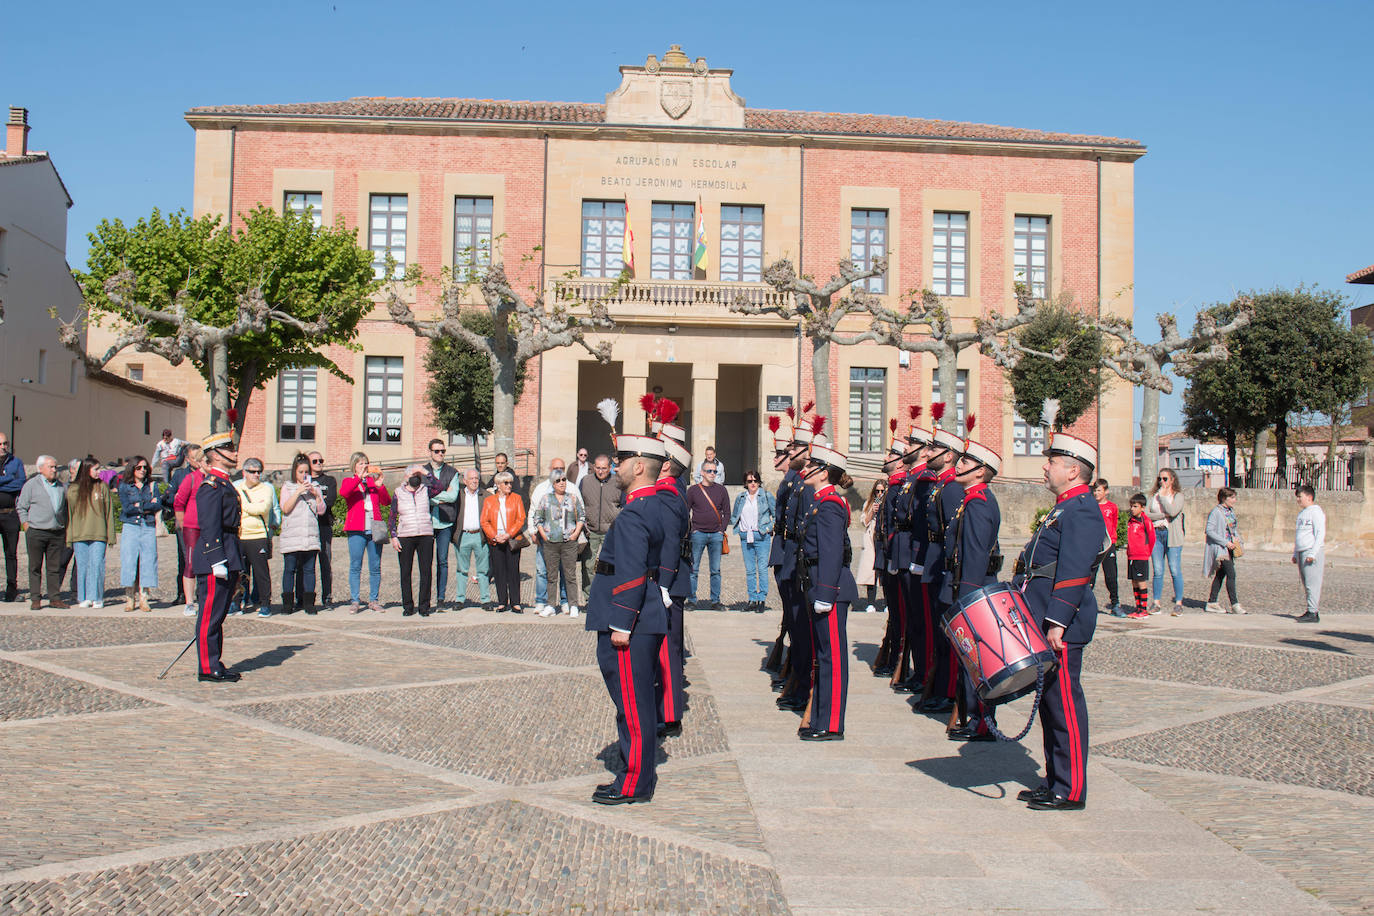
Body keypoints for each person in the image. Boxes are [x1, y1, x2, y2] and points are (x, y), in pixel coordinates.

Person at [1013, 430, 1108, 811]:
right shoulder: (1063, 507)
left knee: (1065, 705)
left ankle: (1070, 789)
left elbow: (1073, 571)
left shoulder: (1082, 508)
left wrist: (1057, 622)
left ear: (1072, 470)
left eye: (1051, 461)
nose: (1044, 466)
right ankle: (1055, 779)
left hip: (1062, 625)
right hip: (1046, 619)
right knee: (1051, 705)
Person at [584, 433, 668, 805]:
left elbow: (633, 572)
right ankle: (636, 775)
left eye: (621, 461)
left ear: (637, 467)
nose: (615, 467)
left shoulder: (636, 512)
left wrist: (621, 623)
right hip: (638, 618)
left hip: (630, 624)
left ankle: (634, 782)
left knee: (633, 707)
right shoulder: (648, 506)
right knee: (634, 704)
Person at [942, 428, 1003, 743]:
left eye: (964, 460)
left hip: (973, 589)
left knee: (975, 661)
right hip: (966, 585)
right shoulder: (970, 500)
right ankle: (973, 717)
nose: (958, 464)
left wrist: (966, 597)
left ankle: (981, 722)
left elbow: (976, 556)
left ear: (980, 470)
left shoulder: (978, 503)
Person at [796, 441, 857, 741]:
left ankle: (831, 723)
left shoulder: (830, 504)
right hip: (819, 583)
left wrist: (825, 593)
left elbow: (832, 553)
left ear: (824, 472)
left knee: (832, 657)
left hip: (829, 588)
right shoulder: (820, 501)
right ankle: (820, 716)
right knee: (823, 656)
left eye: (810, 466)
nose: (804, 469)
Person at [917, 415, 966, 713]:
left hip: (944, 565)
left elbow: (953, 533)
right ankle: (939, 686)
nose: (927, 453)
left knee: (946, 633)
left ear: (949, 455)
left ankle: (947, 692)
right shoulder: (940, 486)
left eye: (934, 450)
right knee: (937, 631)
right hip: (934, 561)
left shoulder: (951, 489)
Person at [192, 431, 244, 682]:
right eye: (229, 449)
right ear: (215, 454)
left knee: (218, 615)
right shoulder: (210, 485)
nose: (235, 453)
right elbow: (210, 525)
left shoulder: (223, 482)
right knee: (209, 617)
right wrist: (217, 559)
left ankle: (215, 661)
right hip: (217, 556)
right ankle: (206, 666)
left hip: (228, 551)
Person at [653, 420, 693, 738]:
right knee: (667, 646)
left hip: (669, 577)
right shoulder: (671, 488)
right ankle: (667, 708)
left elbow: (668, 540)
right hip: (672, 575)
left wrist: (663, 582)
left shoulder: (669, 492)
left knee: (668, 648)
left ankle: (669, 714)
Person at [340, 453, 391, 613]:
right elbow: (345, 493)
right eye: (360, 463)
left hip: (374, 528)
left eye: (366, 463)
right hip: (356, 528)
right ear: (354, 465)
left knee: (375, 566)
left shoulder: (371, 482)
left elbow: (386, 502)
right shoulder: (350, 481)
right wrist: (358, 478)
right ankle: (355, 600)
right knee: (356, 565)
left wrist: (380, 485)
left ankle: (373, 600)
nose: (364, 466)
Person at [16, 455, 68, 609]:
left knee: (54, 567)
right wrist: (26, 525)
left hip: (56, 531)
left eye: (55, 467)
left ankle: (54, 598)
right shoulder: (31, 485)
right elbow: (21, 506)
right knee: (35, 566)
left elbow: (65, 508)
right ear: (41, 469)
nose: (54, 470)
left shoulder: (61, 486)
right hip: (36, 531)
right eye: (51, 467)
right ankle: (35, 599)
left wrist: (63, 525)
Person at [389, 464, 440, 616]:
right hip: (406, 535)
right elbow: (392, 516)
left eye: (417, 476)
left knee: (426, 571)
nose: (415, 478)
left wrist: (425, 472)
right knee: (405, 571)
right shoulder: (398, 492)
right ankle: (408, 606)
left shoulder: (425, 490)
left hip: (425, 534)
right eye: (412, 475)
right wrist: (393, 536)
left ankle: (424, 606)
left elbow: (440, 487)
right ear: (406, 477)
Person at [66, 457, 117, 608]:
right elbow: (70, 514)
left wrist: (111, 535)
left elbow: (109, 512)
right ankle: (83, 597)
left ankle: (96, 597)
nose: (99, 472)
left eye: (99, 468)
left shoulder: (102, 487)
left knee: (97, 565)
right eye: (96, 469)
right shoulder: (74, 489)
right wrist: (69, 537)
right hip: (79, 534)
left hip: (99, 533)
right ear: (86, 470)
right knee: (82, 566)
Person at [533, 471, 585, 617]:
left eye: (564, 479)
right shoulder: (546, 499)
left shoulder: (572, 498)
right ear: (553, 483)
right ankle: (550, 605)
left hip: (569, 542)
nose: (562, 483)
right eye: (558, 481)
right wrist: (543, 535)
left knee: (570, 575)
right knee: (551, 576)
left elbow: (582, 516)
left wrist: (576, 533)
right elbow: (537, 518)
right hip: (551, 542)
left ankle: (573, 604)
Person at [281, 453, 327, 615]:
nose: (303, 475)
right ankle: (287, 603)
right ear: (294, 471)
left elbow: (321, 511)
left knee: (309, 570)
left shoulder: (315, 487)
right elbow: (285, 508)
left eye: (306, 472)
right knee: (290, 569)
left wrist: (315, 495)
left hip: (310, 535)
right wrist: (298, 492)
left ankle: (309, 603)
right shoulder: (287, 487)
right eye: (300, 472)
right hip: (292, 535)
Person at [526, 458, 571, 610]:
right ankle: (541, 600)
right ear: (549, 468)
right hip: (544, 537)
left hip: (564, 538)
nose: (558, 470)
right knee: (542, 570)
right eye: (556, 467)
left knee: (564, 571)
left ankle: (564, 601)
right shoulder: (540, 489)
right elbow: (533, 511)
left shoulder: (570, 488)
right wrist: (532, 531)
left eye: (562, 467)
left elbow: (579, 510)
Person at [232, 457, 274, 617]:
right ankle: (237, 602)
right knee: (240, 573)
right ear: (244, 472)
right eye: (252, 471)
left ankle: (265, 604)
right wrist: (250, 507)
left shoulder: (266, 489)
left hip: (258, 536)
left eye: (259, 472)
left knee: (261, 573)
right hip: (240, 535)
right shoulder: (237, 488)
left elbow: (263, 508)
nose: (256, 474)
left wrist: (244, 506)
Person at [420, 440, 460, 606]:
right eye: (437, 451)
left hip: (445, 523)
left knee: (442, 560)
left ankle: (441, 597)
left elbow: (453, 497)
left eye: (443, 451)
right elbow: (421, 495)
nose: (440, 454)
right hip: (426, 522)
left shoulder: (452, 472)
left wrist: (432, 497)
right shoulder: (422, 472)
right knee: (426, 562)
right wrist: (442, 495)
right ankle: (426, 597)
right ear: (430, 452)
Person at [117, 456, 159, 612]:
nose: (143, 470)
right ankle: (129, 597)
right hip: (131, 526)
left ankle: (144, 597)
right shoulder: (125, 486)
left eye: (144, 467)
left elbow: (157, 505)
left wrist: (139, 505)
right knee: (129, 560)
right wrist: (147, 505)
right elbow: (127, 508)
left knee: (149, 560)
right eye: (139, 467)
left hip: (147, 525)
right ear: (132, 469)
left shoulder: (152, 485)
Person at [687, 459, 730, 609]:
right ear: (702, 473)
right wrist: (691, 530)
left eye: (715, 471)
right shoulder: (693, 490)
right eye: (709, 471)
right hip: (698, 533)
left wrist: (721, 529)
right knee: (693, 569)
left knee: (715, 570)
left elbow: (727, 512)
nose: (713, 474)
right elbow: (686, 512)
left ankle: (715, 601)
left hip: (716, 535)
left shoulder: (721, 490)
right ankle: (691, 600)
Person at [481, 471, 527, 613]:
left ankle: (515, 602)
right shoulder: (489, 501)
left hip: (511, 539)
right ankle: (502, 601)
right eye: (506, 483)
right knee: (499, 571)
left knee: (513, 571)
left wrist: (508, 534)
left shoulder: (516, 498)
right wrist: (494, 536)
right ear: (498, 485)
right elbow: (484, 521)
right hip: (496, 540)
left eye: (510, 482)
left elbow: (521, 519)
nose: (509, 485)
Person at [731, 470, 775, 611]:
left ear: (759, 482)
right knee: (750, 570)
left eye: (755, 480)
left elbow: (776, 515)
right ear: (745, 483)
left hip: (761, 535)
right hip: (745, 536)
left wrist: (768, 528)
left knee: (761, 568)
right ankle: (752, 599)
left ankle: (761, 599)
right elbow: (735, 514)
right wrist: (738, 528)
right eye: (750, 481)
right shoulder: (741, 497)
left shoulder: (766, 496)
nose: (753, 483)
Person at [578, 453, 621, 596]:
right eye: (598, 468)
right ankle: (589, 597)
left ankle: (610, 595)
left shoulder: (618, 482)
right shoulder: (586, 482)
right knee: (588, 565)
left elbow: (624, 505)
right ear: (593, 467)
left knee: (611, 565)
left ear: (610, 468)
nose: (601, 471)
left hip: (611, 530)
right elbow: (579, 504)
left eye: (604, 468)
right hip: (591, 530)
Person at [173, 446, 207, 617]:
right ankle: (189, 602)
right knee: (191, 563)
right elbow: (178, 502)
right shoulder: (191, 478)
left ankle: (205, 598)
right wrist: (182, 523)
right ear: (201, 462)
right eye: (207, 461)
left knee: (207, 563)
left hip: (209, 528)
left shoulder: (214, 479)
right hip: (192, 527)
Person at [1147, 468, 1186, 614]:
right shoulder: (1153, 496)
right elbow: (1147, 515)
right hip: (1157, 534)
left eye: (1165, 479)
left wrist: (1163, 498)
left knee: (1174, 569)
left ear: (1172, 480)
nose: (1162, 482)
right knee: (1157, 570)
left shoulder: (1178, 496)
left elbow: (1173, 511)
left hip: (1172, 535)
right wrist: (1162, 516)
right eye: (1160, 479)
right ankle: (1156, 602)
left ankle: (1178, 603)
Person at [451, 469, 491, 609]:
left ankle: (485, 600)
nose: (474, 481)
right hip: (463, 535)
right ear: (465, 481)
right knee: (462, 569)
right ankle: (460, 599)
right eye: (471, 478)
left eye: (476, 478)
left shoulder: (486, 495)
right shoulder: (458, 495)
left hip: (480, 536)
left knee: (483, 570)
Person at [1204, 487, 1245, 615]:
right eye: (1231, 497)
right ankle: (1235, 604)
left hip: (1230, 548)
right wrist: (1225, 542)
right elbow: (1209, 530)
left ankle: (1212, 602)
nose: (1234, 500)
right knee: (1231, 574)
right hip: (1222, 549)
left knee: (1221, 575)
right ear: (1223, 498)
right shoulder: (1216, 512)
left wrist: (1237, 539)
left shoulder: (1230, 511)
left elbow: (1232, 528)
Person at [307, 451, 338, 607]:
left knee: (325, 562)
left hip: (324, 525)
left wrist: (317, 501)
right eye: (315, 461)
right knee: (307, 564)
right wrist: (320, 500)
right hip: (306, 526)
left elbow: (330, 501)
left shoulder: (329, 480)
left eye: (321, 460)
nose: (319, 463)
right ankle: (306, 598)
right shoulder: (304, 480)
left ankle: (327, 597)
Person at [1293, 484, 1326, 623]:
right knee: (1306, 583)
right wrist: (1295, 552)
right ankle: (1310, 609)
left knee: (1312, 583)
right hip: (1301, 551)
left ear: (1309, 497)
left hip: (1311, 551)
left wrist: (1313, 553)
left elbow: (1320, 533)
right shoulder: (1302, 513)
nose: (1298, 500)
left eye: (1300, 497)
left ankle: (1313, 612)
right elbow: (1299, 534)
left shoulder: (1316, 511)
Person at [0, 432, 25, 602]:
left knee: (11, 554)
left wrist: (5, 478)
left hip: (10, 514)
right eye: (0, 444)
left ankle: (11, 589)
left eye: (5, 443)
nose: (3, 446)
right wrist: (9, 479)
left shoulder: (15, 462)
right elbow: (13, 482)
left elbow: (21, 482)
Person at [855, 479, 885, 613]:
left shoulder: (889, 502)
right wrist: (872, 511)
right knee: (870, 573)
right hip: (871, 538)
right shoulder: (869, 504)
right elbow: (864, 522)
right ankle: (871, 603)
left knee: (884, 573)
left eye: (882, 491)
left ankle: (887, 603)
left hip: (883, 538)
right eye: (877, 491)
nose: (879, 494)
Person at [1093, 479, 1122, 615]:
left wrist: (1112, 540)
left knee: (1111, 575)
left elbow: (1113, 524)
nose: (1096, 493)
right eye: (1095, 490)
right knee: (1090, 575)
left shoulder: (1112, 507)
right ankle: (1084, 603)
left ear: (1106, 491)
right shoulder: (1091, 506)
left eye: (1099, 490)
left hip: (1109, 545)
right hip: (1093, 545)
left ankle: (1115, 603)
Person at [1125, 494, 1156, 619]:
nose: (1132, 509)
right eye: (1131, 506)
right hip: (1131, 555)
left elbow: (1152, 538)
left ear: (1142, 508)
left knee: (1141, 581)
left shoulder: (1146, 521)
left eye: (1135, 506)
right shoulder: (1130, 520)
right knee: (1134, 582)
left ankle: (1143, 609)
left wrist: (1146, 552)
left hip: (1141, 556)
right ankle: (1137, 608)